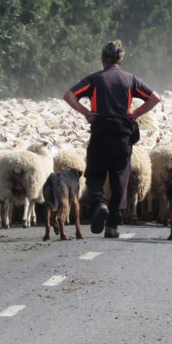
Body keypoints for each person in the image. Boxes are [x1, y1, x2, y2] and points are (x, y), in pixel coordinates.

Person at [63, 41, 162, 237]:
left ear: (102, 59)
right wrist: (134, 113)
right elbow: (155, 98)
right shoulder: (130, 79)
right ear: (121, 59)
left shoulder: (95, 79)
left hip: (100, 132)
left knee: (94, 175)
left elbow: (69, 95)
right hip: (122, 136)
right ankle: (113, 225)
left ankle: (99, 203)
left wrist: (86, 113)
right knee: (120, 180)